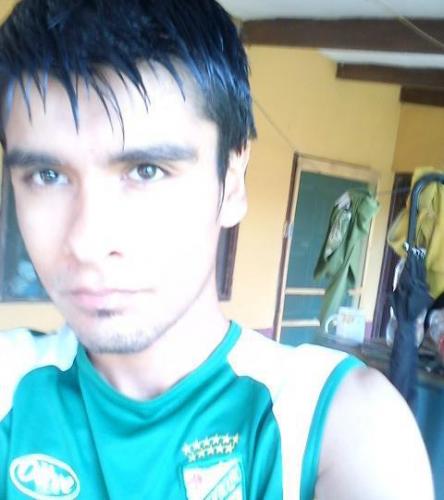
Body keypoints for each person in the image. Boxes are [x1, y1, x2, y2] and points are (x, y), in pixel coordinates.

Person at [0, 1, 434, 499]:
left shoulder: (342, 426)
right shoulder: (11, 387)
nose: (88, 242)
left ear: (231, 181)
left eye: (146, 171)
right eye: (47, 175)